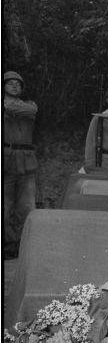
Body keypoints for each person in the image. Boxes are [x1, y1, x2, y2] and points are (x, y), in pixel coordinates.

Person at [3, 71, 38, 258]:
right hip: (6, 161)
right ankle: (9, 244)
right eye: (10, 83)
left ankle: (26, 243)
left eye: (18, 83)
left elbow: (32, 111)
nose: (15, 86)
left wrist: (9, 107)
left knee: (27, 206)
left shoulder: (30, 106)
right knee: (5, 207)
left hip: (27, 162)